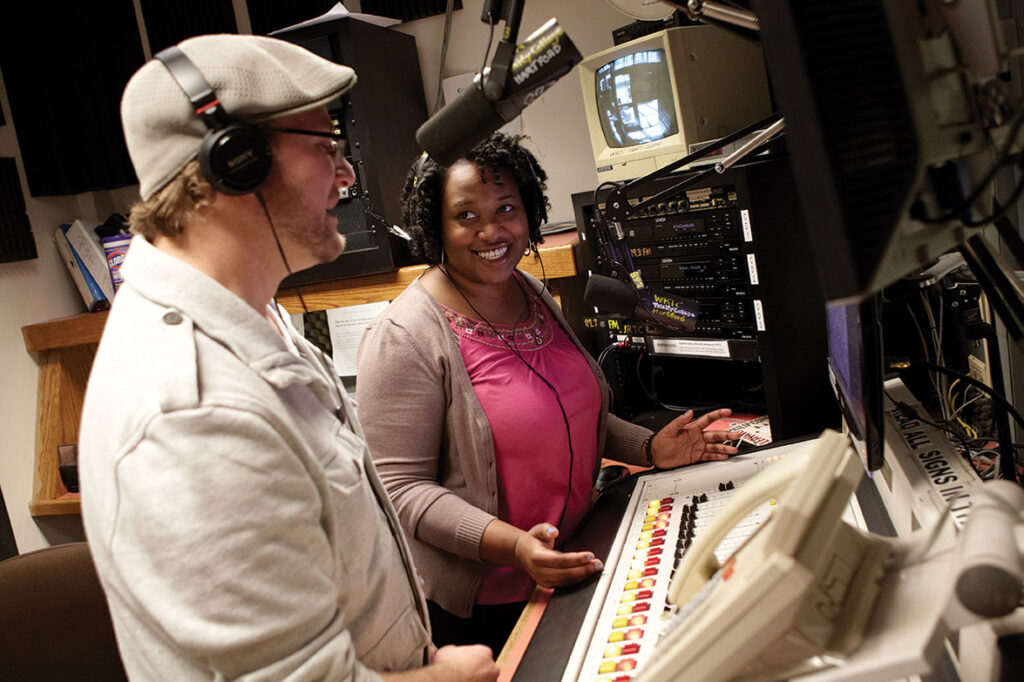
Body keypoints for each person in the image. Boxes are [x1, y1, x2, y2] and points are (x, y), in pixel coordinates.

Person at [78, 34, 497, 682]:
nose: (349, 173)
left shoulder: (252, 318)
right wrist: (450, 676)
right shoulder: (195, 416)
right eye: (327, 148)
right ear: (235, 163)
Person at [355, 133, 739, 655]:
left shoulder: (531, 291)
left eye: (507, 209)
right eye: (466, 215)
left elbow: (578, 416)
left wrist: (650, 449)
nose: (492, 230)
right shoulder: (403, 336)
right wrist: (515, 547)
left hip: (579, 560)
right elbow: (400, 491)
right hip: (488, 609)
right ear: (436, 226)